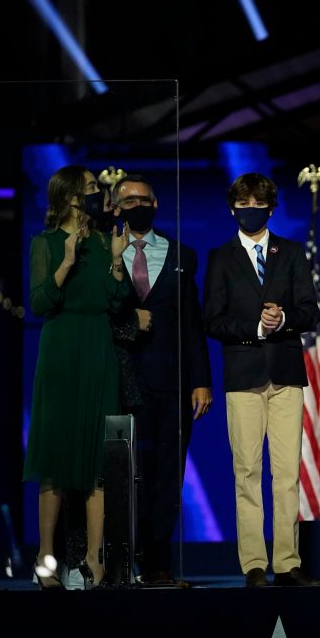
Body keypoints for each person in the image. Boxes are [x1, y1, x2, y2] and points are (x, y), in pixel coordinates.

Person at [203, 172, 320, 587]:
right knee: (247, 471)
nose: (248, 210)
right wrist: (255, 327)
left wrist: (284, 319)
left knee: (287, 474)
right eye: (242, 203)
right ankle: (254, 563)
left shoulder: (290, 253)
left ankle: (288, 563)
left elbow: (311, 312)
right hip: (243, 374)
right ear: (232, 208)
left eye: (256, 204)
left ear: (270, 208)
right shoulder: (220, 257)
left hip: (287, 373)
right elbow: (212, 320)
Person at [24, 165, 129, 588]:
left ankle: (93, 558)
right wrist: (66, 262)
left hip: (98, 351)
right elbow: (40, 302)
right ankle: (46, 558)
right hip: (62, 353)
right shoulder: (45, 243)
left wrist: (118, 263)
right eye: (90, 188)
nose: (97, 193)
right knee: (55, 459)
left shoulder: (104, 243)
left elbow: (116, 301)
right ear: (71, 198)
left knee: (96, 462)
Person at [108, 174, 212, 586]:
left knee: (167, 476)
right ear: (116, 208)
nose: (138, 205)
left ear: (156, 203)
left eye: (144, 199)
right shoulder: (103, 255)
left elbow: (192, 323)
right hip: (117, 380)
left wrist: (200, 380)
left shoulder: (181, 254)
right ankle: (115, 565)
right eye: (128, 200)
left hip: (170, 383)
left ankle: (157, 567)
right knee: (123, 476)